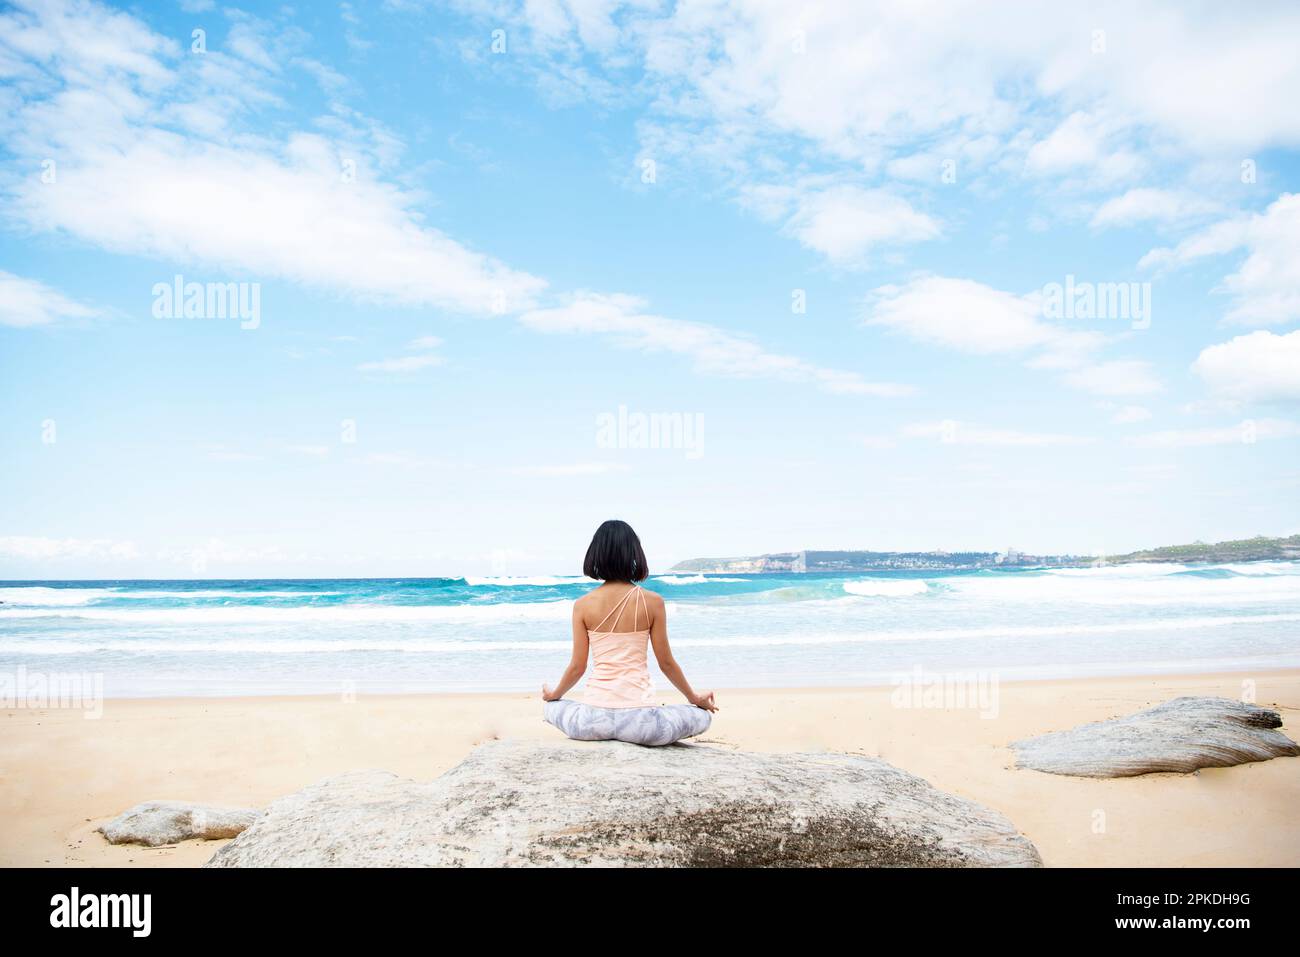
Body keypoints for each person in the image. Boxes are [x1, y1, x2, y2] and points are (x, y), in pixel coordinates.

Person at [542, 519, 718, 746]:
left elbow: (578, 667)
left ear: (595, 555)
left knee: (551, 707)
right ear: (634, 554)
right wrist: (695, 698)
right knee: (702, 716)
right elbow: (666, 663)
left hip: (592, 723)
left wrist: (554, 695)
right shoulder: (652, 602)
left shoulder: (583, 605)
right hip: (642, 725)